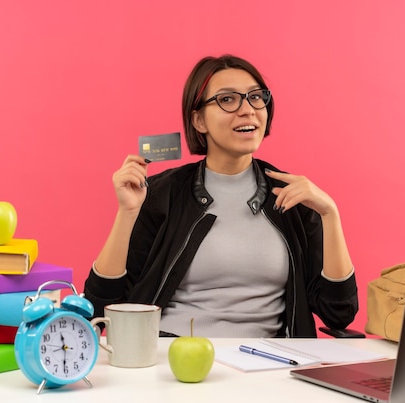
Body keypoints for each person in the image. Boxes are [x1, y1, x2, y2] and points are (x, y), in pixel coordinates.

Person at [84, 54, 357, 338]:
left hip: (267, 364)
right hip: (170, 357)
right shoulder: (161, 194)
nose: (248, 110)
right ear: (199, 120)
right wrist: (127, 213)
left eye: (256, 97)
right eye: (227, 100)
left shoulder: (292, 198)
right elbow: (100, 308)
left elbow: (338, 313)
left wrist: (330, 215)